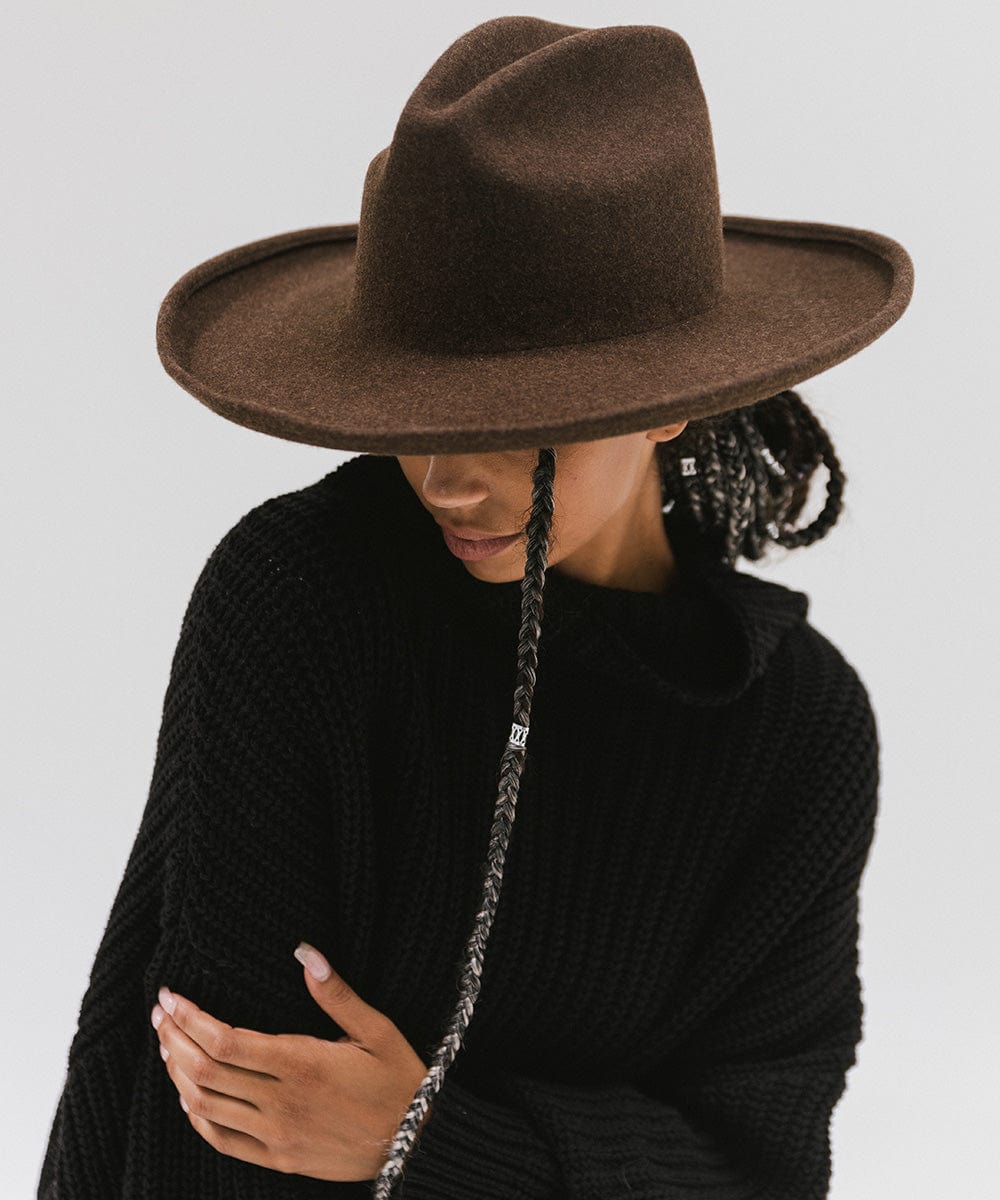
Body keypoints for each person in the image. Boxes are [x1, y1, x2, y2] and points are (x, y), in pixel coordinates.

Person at [37, 15, 914, 1200]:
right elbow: (213, 1111)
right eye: (416, 414)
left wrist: (432, 1144)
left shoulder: (795, 729)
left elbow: (761, 1165)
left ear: (670, 400)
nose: (448, 480)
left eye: (518, 421)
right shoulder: (303, 599)